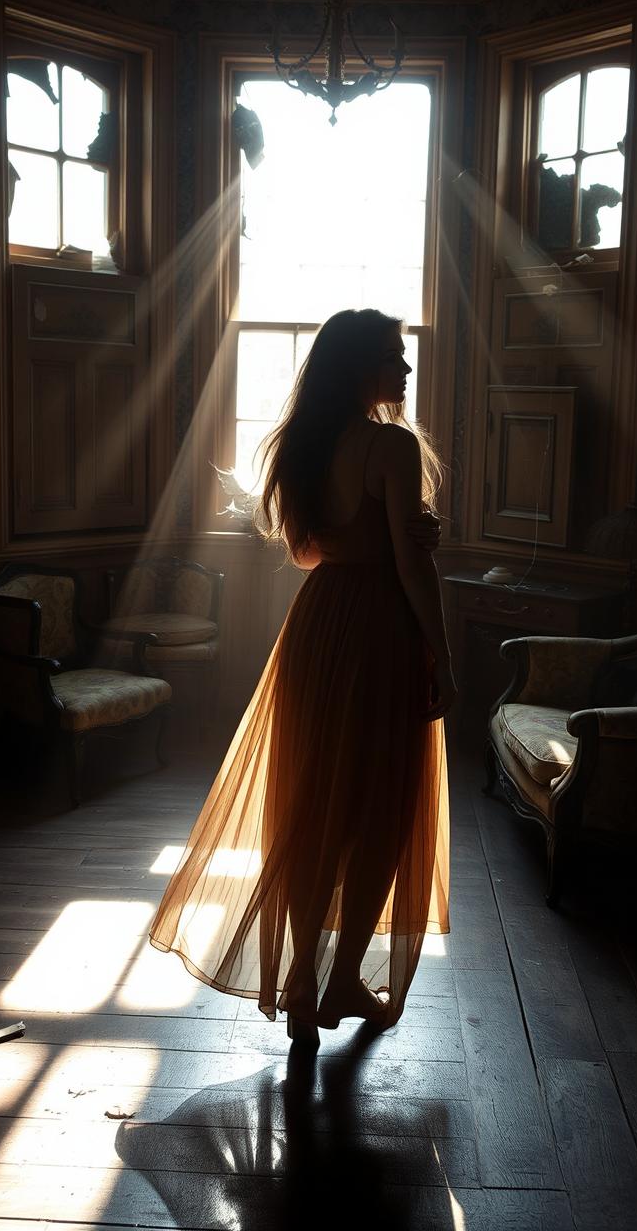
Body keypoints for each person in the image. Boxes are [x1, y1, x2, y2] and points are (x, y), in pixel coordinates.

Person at [149, 308, 455, 1047]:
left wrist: (378, 540)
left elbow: (307, 555)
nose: (407, 371)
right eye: (394, 357)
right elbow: (411, 570)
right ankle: (341, 978)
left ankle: (299, 986)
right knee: (379, 810)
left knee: (314, 804)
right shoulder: (390, 445)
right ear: (359, 369)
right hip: (380, 630)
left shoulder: (301, 446)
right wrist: (441, 655)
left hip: (318, 629)